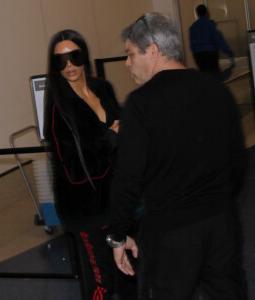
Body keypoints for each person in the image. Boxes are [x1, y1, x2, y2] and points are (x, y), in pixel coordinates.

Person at [106, 12, 247, 299]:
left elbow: (128, 178)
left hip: (172, 232)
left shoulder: (140, 104)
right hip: (222, 224)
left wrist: (118, 235)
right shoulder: (216, 91)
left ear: (153, 52)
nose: (127, 63)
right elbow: (238, 161)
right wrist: (215, 200)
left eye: (131, 54)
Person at [43, 29, 137, 299]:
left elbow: (124, 134)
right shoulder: (57, 109)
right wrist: (109, 139)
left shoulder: (102, 88)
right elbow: (72, 169)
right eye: (61, 60)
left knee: (128, 274)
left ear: (84, 56)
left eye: (74, 56)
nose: (69, 65)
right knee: (100, 282)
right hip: (86, 211)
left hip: (117, 200)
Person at [189, 4, 235, 75]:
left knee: (206, 77)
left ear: (197, 14)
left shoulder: (192, 27)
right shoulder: (210, 25)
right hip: (211, 55)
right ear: (207, 12)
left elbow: (192, 45)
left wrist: (196, 57)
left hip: (199, 57)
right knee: (215, 77)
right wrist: (229, 53)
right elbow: (219, 40)